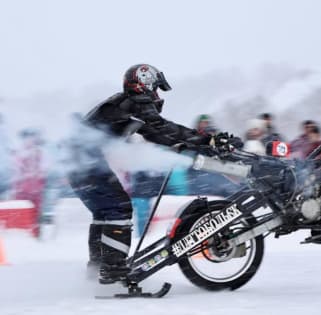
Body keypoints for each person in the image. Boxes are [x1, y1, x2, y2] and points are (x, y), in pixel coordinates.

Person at [68, 64, 242, 284]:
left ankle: (99, 267)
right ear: (145, 84)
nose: (157, 94)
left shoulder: (125, 104)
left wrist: (191, 144)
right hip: (85, 165)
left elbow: (157, 135)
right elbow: (164, 129)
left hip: (78, 165)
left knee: (105, 212)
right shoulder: (136, 103)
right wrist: (208, 139)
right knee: (117, 208)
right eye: (156, 88)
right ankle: (112, 271)